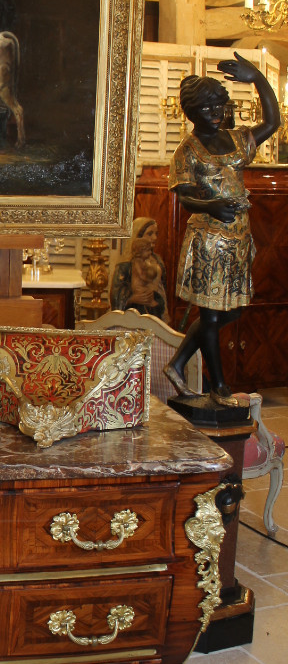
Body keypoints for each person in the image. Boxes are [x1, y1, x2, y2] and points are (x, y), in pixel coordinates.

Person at [163, 52, 280, 406]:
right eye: (208, 108)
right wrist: (211, 205)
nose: (216, 113)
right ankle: (219, 387)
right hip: (209, 239)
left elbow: (273, 122)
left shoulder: (235, 140)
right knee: (210, 315)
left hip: (239, 238)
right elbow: (183, 198)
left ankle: (177, 364)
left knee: (235, 308)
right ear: (192, 112)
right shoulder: (188, 151)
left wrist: (258, 77)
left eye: (220, 106)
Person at [110, 217, 169, 321]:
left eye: (156, 233)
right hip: (134, 312)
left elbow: (162, 288)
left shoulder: (157, 260)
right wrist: (132, 298)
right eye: (150, 234)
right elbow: (116, 293)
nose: (154, 237)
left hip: (154, 310)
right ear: (138, 236)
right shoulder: (126, 264)